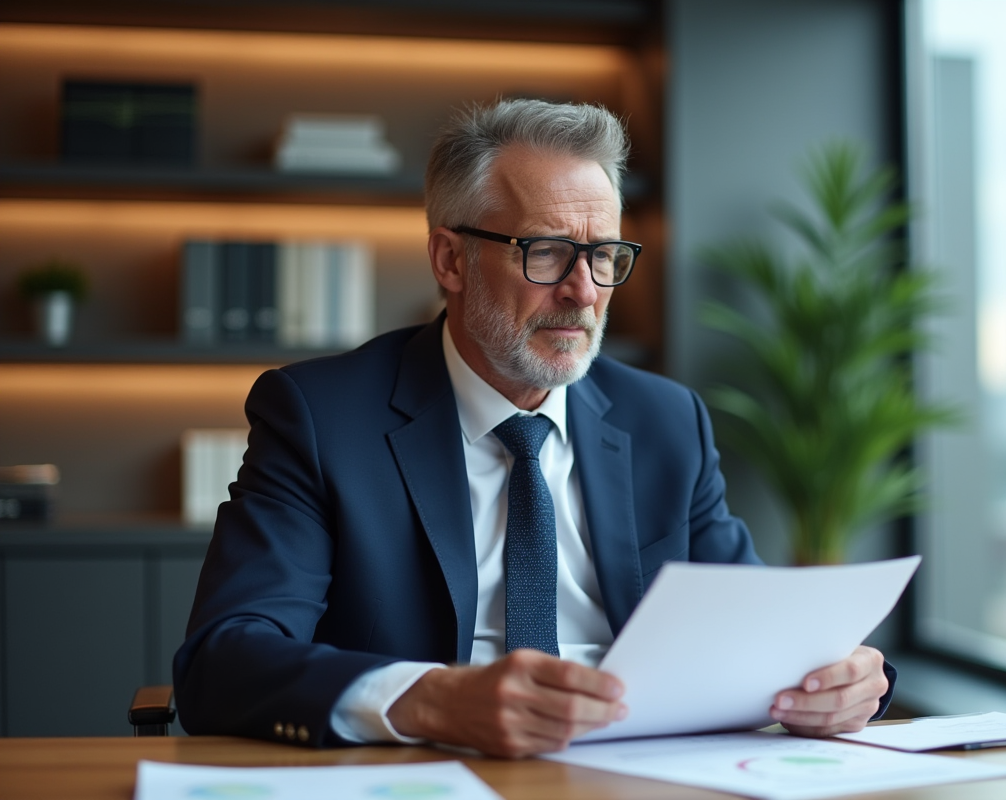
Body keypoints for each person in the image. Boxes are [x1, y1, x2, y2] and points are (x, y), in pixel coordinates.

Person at [174, 98, 895, 757]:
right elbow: (224, 658)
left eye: (605, 255)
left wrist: (848, 679)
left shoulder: (667, 421)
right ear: (450, 259)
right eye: (546, 252)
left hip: (646, 772)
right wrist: (431, 699)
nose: (584, 291)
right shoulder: (321, 415)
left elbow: (759, 629)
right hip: (432, 771)